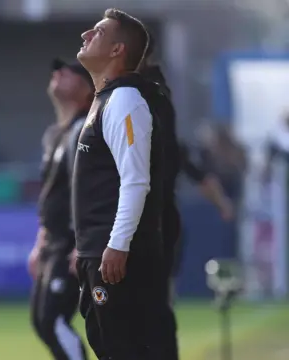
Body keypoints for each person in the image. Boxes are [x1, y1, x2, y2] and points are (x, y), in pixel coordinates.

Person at [68, 8, 168, 359]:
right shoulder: (104, 100)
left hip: (116, 258)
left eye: (97, 31)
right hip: (96, 253)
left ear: (117, 50)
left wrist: (117, 244)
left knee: (123, 349)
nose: (85, 35)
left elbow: (136, 181)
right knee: (108, 346)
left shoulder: (125, 101)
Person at [141, 46, 234, 360]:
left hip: (161, 225)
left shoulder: (170, 143)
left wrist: (222, 204)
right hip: (131, 226)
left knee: (160, 299)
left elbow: (202, 177)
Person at [28, 59, 93, 360]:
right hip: (54, 242)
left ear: (87, 89)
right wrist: (41, 242)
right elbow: (52, 195)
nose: (58, 73)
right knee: (42, 321)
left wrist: (83, 242)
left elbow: (90, 191)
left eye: (68, 72)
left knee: (53, 320)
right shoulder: (56, 134)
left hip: (72, 241)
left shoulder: (87, 131)